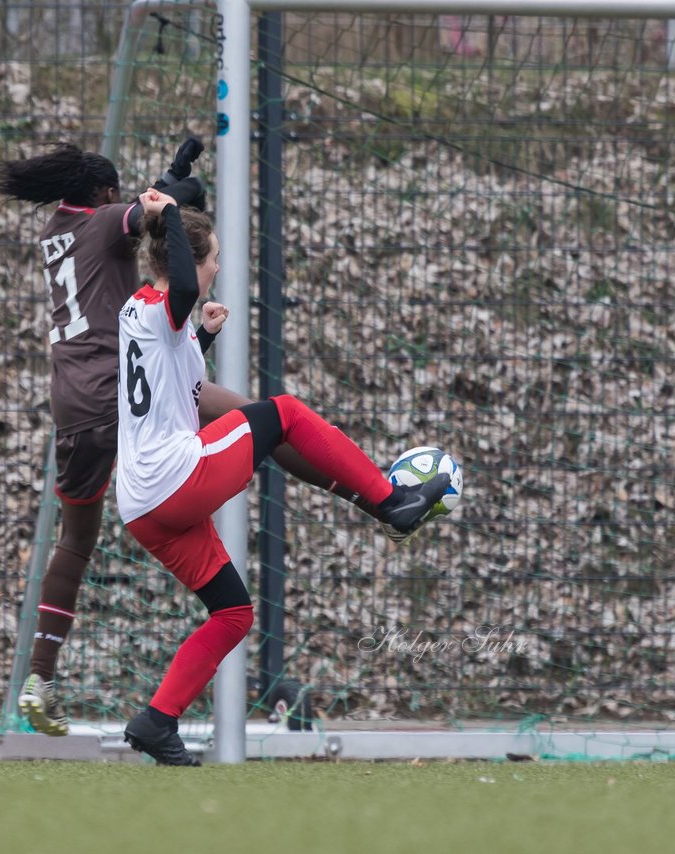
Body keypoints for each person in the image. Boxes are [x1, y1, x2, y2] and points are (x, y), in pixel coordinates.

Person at [0, 141, 387, 738]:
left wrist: (173, 181)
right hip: (122, 387)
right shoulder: (105, 221)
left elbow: (153, 208)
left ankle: (40, 677)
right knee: (266, 419)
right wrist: (171, 192)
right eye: (114, 195)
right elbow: (152, 216)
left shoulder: (57, 231)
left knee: (76, 540)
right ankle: (377, 498)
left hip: (70, 402)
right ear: (101, 196)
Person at [116, 189, 449, 765]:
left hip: (142, 504)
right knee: (287, 412)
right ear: (188, 263)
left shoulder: (142, 310)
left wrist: (206, 336)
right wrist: (172, 212)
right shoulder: (165, 304)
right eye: (213, 256)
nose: (219, 265)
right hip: (174, 477)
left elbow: (175, 382)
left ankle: (156, 720)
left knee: (233, 613)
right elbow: (185, 292)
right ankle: (390, 501)